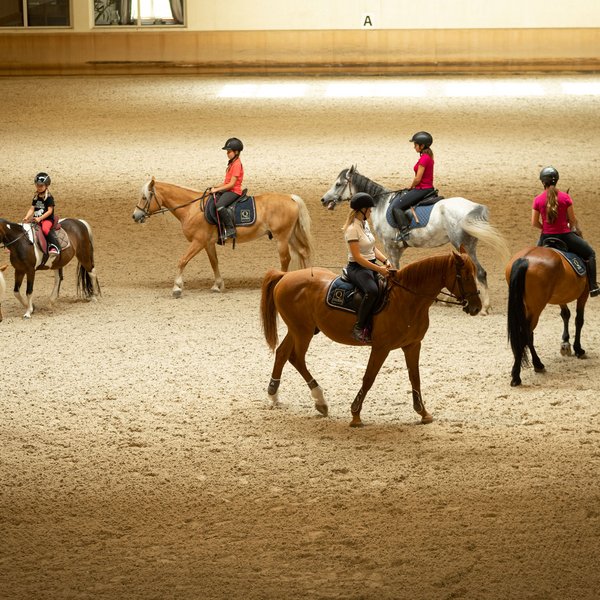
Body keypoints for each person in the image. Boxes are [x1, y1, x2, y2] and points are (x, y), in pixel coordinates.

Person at [532, 166, 599, 297]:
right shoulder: (565, 197)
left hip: (545, 237)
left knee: (534, 260)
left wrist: (545, 228)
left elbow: (534, 223)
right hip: (565, 236)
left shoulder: (538, 199)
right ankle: (593, 287)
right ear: (556, 180)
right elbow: (573, 220)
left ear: (542, 182)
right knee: (590, 253)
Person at [343, 192, 391, 343]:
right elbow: (358, 257)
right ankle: (359, 326)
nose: (370, 212)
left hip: (370, 265)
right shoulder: (352, 229)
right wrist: (379, 270)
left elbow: (372, 248)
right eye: (369, 209)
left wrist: (385, 260)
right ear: (362, 210)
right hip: (357, 268)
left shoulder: (365, 225)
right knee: (372, 291)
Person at [393, 131, 435, 237]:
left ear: (422, 145)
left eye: (415, 145)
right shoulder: (427, 156)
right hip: (427, 188)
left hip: (422, 189)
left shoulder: (424, 158)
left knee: (396, 206)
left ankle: (404, 231)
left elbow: (418, 178)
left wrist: (411, 186)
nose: (414, 147)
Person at [209, 137, 244, 242]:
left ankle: (230, 229)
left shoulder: (237, 164)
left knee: (219, 205)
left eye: (229, 151)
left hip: (234, 191)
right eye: (227, 151)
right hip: (229, 188)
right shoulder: (232, 163)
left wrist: (217, 190)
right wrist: (216, 187)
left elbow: (231, 184)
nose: (227, 153)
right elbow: (226, 182)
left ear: (236, 152)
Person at [23, 172, 60, 256]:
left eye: (41, 186)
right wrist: (26, 217)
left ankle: (54, 246)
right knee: (25, 227)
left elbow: (50, 211)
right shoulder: (36, 196)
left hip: (47, 220)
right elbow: (32, 208)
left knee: (45, 229)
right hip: (36, 219)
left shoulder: (49, 197)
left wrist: (40, 218)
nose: (39, 188)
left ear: (46, 186)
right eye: (37, 185)